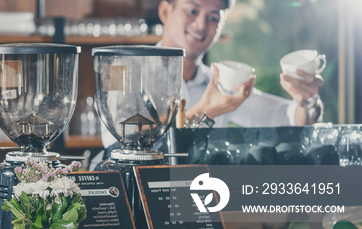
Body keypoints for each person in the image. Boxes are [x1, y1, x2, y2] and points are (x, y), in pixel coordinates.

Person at [100, 0, 325, 148]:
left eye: (214, 17)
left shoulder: (221, 83)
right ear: (165, 11)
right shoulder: (121, 68)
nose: (201, 24)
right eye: (192, 10)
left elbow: (286, 118)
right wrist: (205, 111)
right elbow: (119, 141)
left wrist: (307, 101)